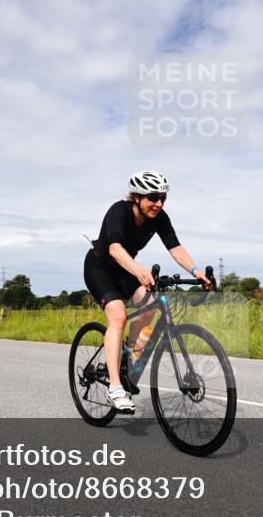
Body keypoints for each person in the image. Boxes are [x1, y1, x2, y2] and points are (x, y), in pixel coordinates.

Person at [83, 171, 210, 413]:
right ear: (137, 197)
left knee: (150, 306)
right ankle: (116, 389)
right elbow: (115, 249)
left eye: (163, 198)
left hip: (125, 269)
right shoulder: (119, 211)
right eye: (153, 197)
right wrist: (140, 271)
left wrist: (196, 271)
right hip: (100, 267)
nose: (159, 203)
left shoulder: (160, 218)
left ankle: (128, 357)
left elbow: (175, 247)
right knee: (118, 316)